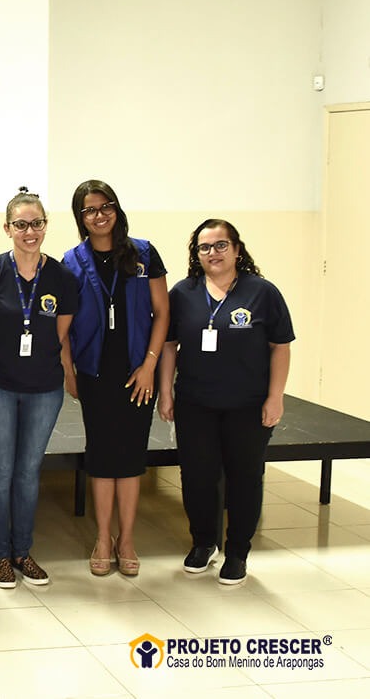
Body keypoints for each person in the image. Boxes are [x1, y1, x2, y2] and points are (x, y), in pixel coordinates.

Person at [158, 219, 293, 586]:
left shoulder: (262, 292)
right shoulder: (183, 293)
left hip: (247, 406)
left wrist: (275, 397)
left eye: (220, 245)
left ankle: (237, 553)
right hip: (195, 403)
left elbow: (280, 346)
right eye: (204, 247)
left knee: (244, 479)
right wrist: (166, 392)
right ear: (195, 253)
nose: (212, 253)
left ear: (236, 249)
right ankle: (204, 543)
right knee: (197, 477)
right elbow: (169, 345)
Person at [0, 188, 77, 589]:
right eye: (21, 224)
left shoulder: (62, 277)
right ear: (7, 228)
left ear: (45, 225)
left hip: (44, 389)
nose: (29, 231)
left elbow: (60, 335)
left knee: (29, 472)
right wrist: (0, 363)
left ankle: (22, 551)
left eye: (37, 223)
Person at [62, 180, 169, 578]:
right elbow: (64, 326)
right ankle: (103, 538)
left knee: (130, 458)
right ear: (80, 218)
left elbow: (163, 312)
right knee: (102, 456)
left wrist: (149, 365)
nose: (99, 215)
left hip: (138, 372)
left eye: (106, 206)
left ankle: (127, 540)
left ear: (116, 209)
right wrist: (68, 369)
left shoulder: (143, 253)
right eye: (89, 210)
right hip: (94, 373)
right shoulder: (72, 262)